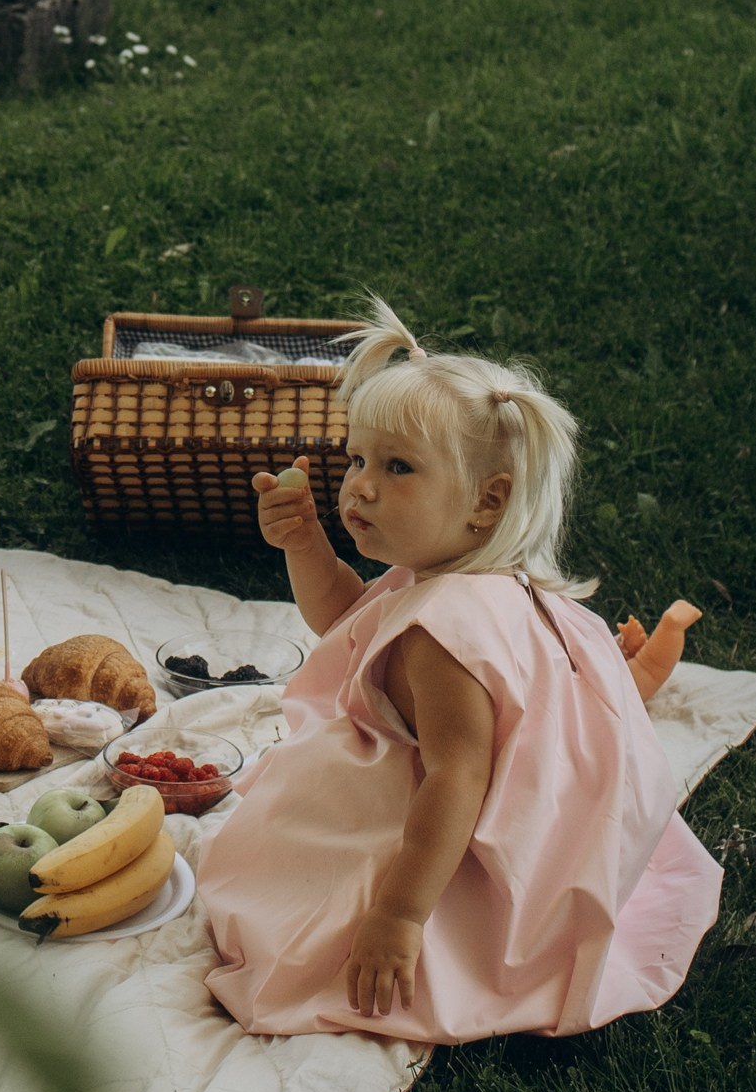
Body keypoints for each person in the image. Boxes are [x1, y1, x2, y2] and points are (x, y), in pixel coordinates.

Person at [196, 304, 720, 1042]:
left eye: (397, 467)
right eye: (355, 461)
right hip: (541, 811)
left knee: (278, 862)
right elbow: (347, 621)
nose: (360, 487)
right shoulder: (464, 578)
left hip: (456, 840)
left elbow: (455, 779)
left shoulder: (443, 638)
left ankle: (422, 922)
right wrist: (306, 545)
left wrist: (398, 914)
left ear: (487, 501)